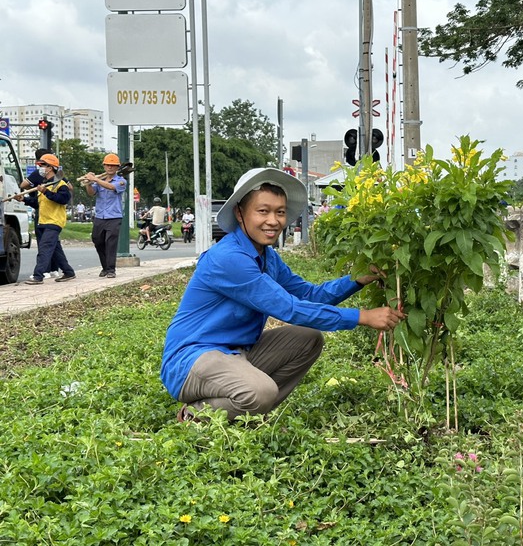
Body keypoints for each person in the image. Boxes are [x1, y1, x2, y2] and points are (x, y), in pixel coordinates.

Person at [161, 168, 406, 423]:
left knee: (307, 339)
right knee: (261, 391)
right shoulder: (228, 258)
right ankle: (195, 416)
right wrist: (362, 317)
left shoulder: (268, 258)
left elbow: (309, 295)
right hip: (193, 359)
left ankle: (247, 413)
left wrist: (356, 279)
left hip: (237, 353)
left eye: (280, 212)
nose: (273, 220)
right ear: (239, 213)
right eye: (263, 211)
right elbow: (289, 309)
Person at [17, 153, 76, 285]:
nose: (40, 168)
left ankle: (38, 276)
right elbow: (39, 203)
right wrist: (24, 200)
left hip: (54, 222)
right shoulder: (44, 184)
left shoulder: (60, 184)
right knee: (55, 249)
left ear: (50, 167)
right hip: (43, 221)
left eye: (42, 165)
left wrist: (46, 192)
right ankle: (68, 272)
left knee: (44, 248)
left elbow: (63, 199)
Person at [83, 153, 127, 278]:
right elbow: (91, 193)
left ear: (117, 167)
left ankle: (111, 269)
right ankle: (105, 267)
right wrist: (88, 183)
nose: (110, 168)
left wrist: (95, 179)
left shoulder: (121, 181)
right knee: (97, 240)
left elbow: (111, 187)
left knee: (111, 243)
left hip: (114, 216)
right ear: (104, 166)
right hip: (100, 216)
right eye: (108, 165)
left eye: (113, 165)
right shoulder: (100, 180)